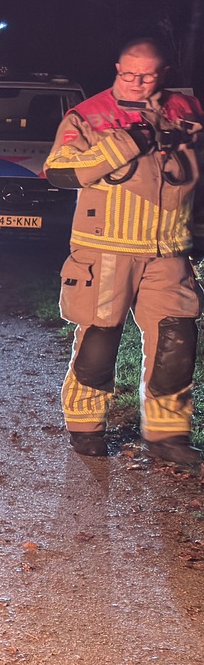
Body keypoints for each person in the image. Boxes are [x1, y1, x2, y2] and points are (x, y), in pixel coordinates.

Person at [44, 38, 204, 465]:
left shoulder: (187, 112)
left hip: (169, 249)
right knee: (99, 341)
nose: (135, 83)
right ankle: (85, 427)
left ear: (164, 73)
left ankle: (167, 436)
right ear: (116, 67)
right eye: (127, 74)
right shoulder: (89, 115)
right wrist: (127, 142)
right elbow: (60, 172)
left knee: (178, 340)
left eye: (147, 75)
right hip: (105, 249)